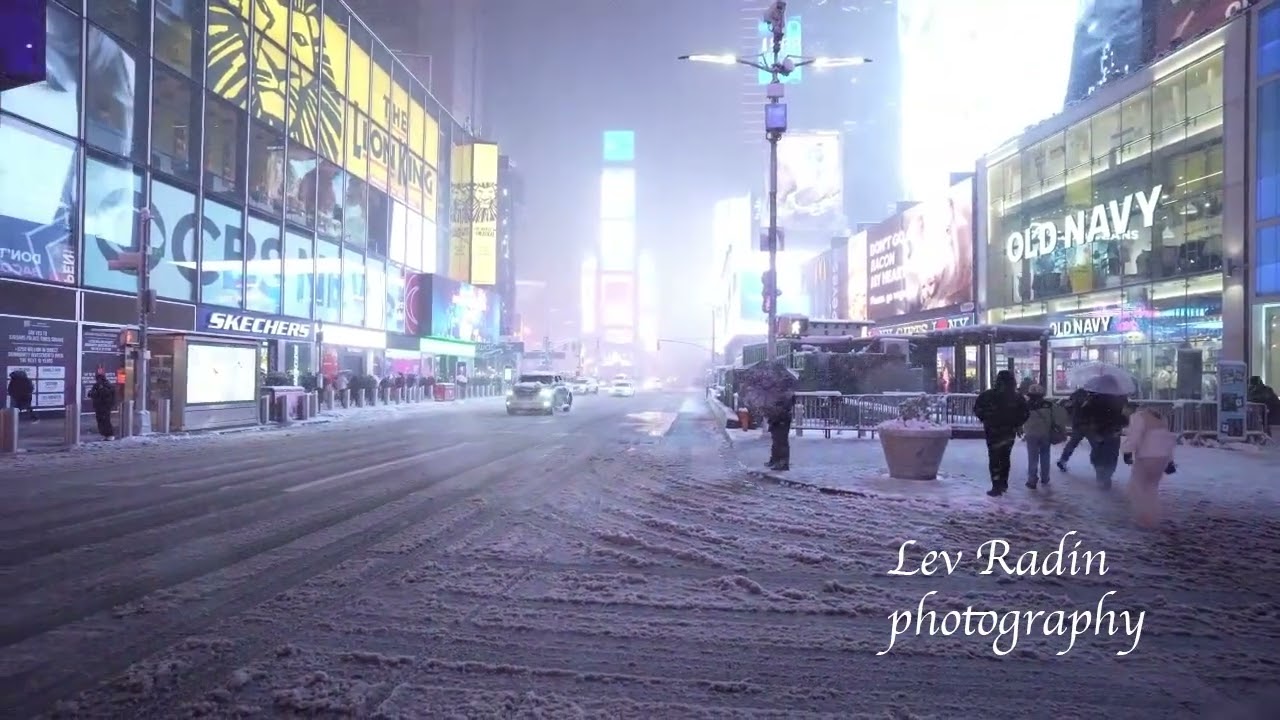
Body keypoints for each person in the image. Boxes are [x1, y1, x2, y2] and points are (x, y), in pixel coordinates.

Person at [973, 370, 1030, 497]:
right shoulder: (1017, 397)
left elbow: (977, 409)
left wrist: (987, 419)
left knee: (994, 457)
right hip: (1009, 432)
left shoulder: (988, 395)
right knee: (1005, 457)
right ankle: (1003, 483)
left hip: (993, 431)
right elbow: (1025, 413)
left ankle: (996, 484)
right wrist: (1016, 423)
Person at [1121, 404, 1178, 527]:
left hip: (1147, 455)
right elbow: (1166, 439)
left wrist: (1126, 451)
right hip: (1162, 458)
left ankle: (1143, 516)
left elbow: (1135, 437)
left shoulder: (1138, 416)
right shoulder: (1160, 418)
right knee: (1151, 487)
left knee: (1136, 487)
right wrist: (1169, 461)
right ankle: (1153, 517)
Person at [1076, 391, 1128, 488]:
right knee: (1112, 454)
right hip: (1113, 431)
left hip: (1098, 431)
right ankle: (1107, 475)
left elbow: (1084, 414)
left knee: (1098, 453)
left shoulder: (1092, 400)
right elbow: (1123, 418)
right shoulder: (1118, 400)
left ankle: (1100, 474)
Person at [1021, 384, 1069, 489]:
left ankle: (1032, 480)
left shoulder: (1025, 405)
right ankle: (1045, 478)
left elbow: (1020, 419)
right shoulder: (1049, 405)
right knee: (1045, 455)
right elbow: (1058, 419)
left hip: (1031, 434)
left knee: (1032, 458)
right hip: (1045, 434)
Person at [1056, 386, 1091, 471]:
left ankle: (1063, 460)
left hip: (1077, 423)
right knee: (1096, 445)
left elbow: (1069, 406)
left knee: (1072, 443)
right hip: (1089, 424)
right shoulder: (1091, 395)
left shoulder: (1076, 394)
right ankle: (1100, 466)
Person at [765, 388, 796, 472]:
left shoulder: (786, 393)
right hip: (776, 418)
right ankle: (775, 459)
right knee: (776, 440)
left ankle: (783, 462)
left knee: (781, 441)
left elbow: (786, 406)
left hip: (782, 418)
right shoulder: (776, 392)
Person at [87, 372, 116, 440]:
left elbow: (108, 395)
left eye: (98, 379)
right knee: (100, 421)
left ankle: (110, 434)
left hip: (105, 406)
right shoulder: (96, 385)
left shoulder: (108, 386)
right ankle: (105, 434)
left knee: (105, 420)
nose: (97, 381)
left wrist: (100, 391)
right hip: (98, 406)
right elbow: (90, 394)